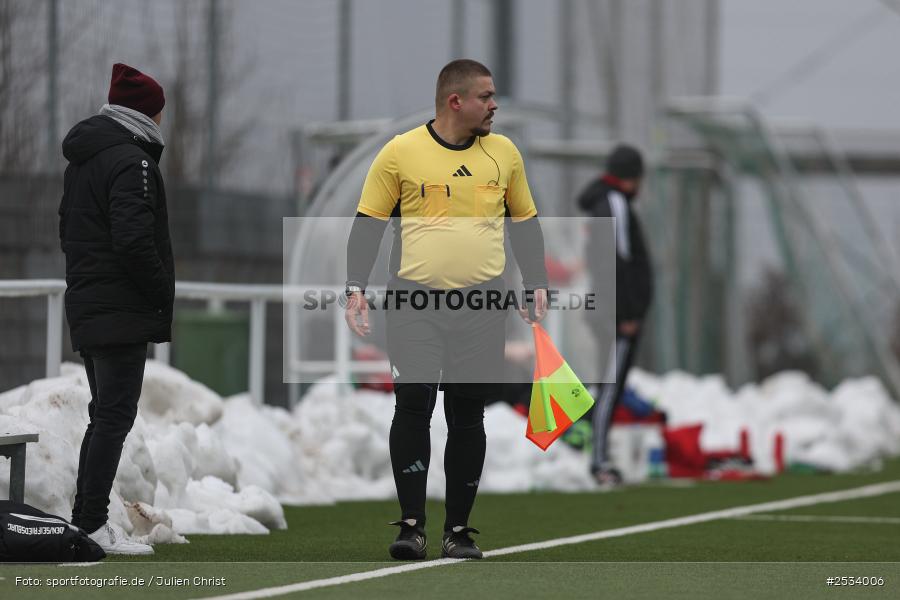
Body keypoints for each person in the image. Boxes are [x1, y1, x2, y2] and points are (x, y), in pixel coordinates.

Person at [344, 59, 548, 560]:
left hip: (481, 305)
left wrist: (535, 282)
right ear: (456, 101)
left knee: (467, 411)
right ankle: (411, 527)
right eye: (486, 96)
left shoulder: (505, 154)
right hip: (414, 301)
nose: (494, 104)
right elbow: (367, 224)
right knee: (413, 402)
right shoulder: (400, 153)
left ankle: (458, 531)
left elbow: (525, 223)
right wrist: (355, 288)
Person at [59, 63, 174, 555]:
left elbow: (68, 231)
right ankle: (89, 525)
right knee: (112, 417)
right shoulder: (132, 160)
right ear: (148, 112)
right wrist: (156, 292)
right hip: (119, 308)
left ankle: (86, 521)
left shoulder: (85, 159)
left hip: (90, 302)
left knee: (103, 414)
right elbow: (132, 240)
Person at [577, 144, 654, 486]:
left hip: (610, 309)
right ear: (630, 178)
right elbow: (615, 262)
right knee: (608, 385)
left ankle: (596, 453)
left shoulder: (605, 202)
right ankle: (598, 462)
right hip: (615, 314)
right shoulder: (614, 204)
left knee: (607, 383)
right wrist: (626, 311)